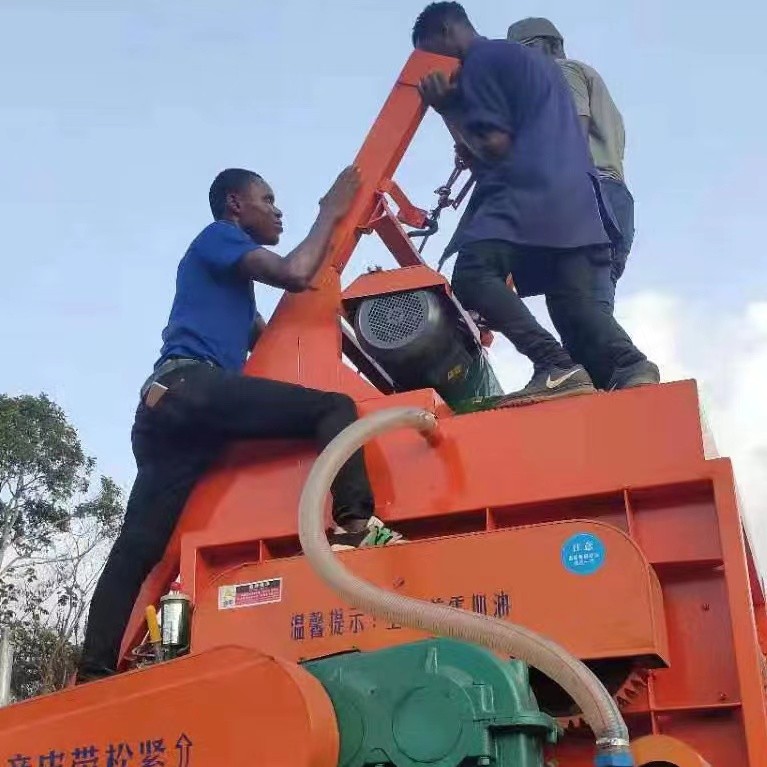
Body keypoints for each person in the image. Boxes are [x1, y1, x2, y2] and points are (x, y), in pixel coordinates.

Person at [76, 166, 403, 683]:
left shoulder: (230, 287)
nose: (277, 210)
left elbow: (272, 342)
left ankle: (94, 673)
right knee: (334, 409)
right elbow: (296, 272)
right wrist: (331, 212)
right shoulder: (218, 238)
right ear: (234, 204)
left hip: (171, 412)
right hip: (191, 387)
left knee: (140, 546)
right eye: (267, 199)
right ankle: (356, 525)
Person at [412, 2, 659, 401]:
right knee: (574, 303)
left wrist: (450, 108)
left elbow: (495, 147)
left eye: (432, 53)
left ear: (445, 33)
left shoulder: (483, 62)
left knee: (473, 274)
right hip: (581, 196)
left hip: (532, 189)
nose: (438, 64)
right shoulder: (544, 70)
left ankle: (553, 365)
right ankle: (629, 366)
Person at [508, 17, 634, 307]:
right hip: (612, 200)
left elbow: (572, 136)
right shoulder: (592, 85)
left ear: (551, 46)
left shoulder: (561, 71)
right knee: (586, 312)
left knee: (583, 310)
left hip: (589, 196)